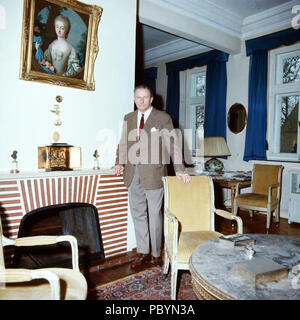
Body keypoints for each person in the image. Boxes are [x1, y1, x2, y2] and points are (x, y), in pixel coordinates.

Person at [114, 84, 191, 269]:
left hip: (154, 173)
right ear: (134, 99)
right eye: (138, 97)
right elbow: (123, 144)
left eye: (145, 97)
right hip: (133, 173)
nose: (141, 101)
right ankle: (143, 252)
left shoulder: (162, 118)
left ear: (151, 99)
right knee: (138, 214)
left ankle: (157, 254)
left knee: (155, 216)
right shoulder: (129, 118)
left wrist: (179, 168)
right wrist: (119, 162)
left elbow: (173, 144)